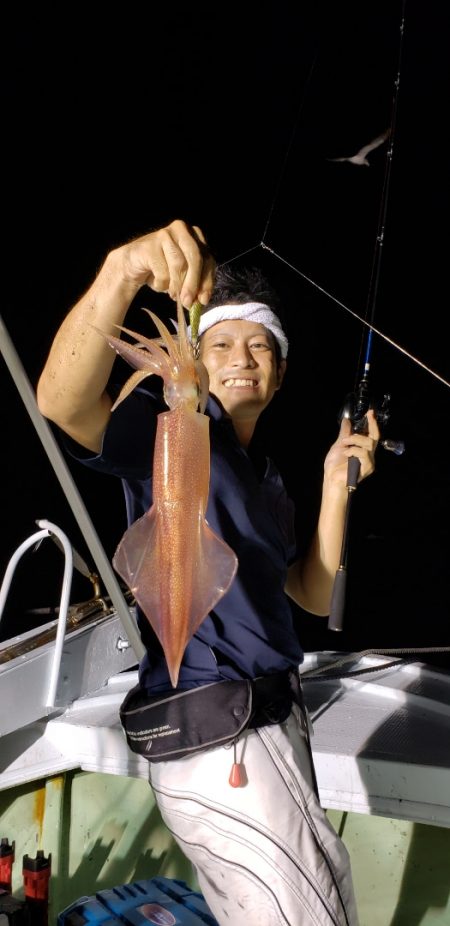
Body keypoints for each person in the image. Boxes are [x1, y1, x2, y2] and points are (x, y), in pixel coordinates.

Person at [37, 219, 379, 925]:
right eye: (219, 343)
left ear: (279, 374)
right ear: (196, 362)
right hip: (222, 738)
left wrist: (334, 485)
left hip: (271, 728)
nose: (241, 356)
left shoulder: (266, 480)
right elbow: (63, 404)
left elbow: (308, 592)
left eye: (260, 345)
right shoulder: (171, 425)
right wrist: (122, 270)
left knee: (322, 892)